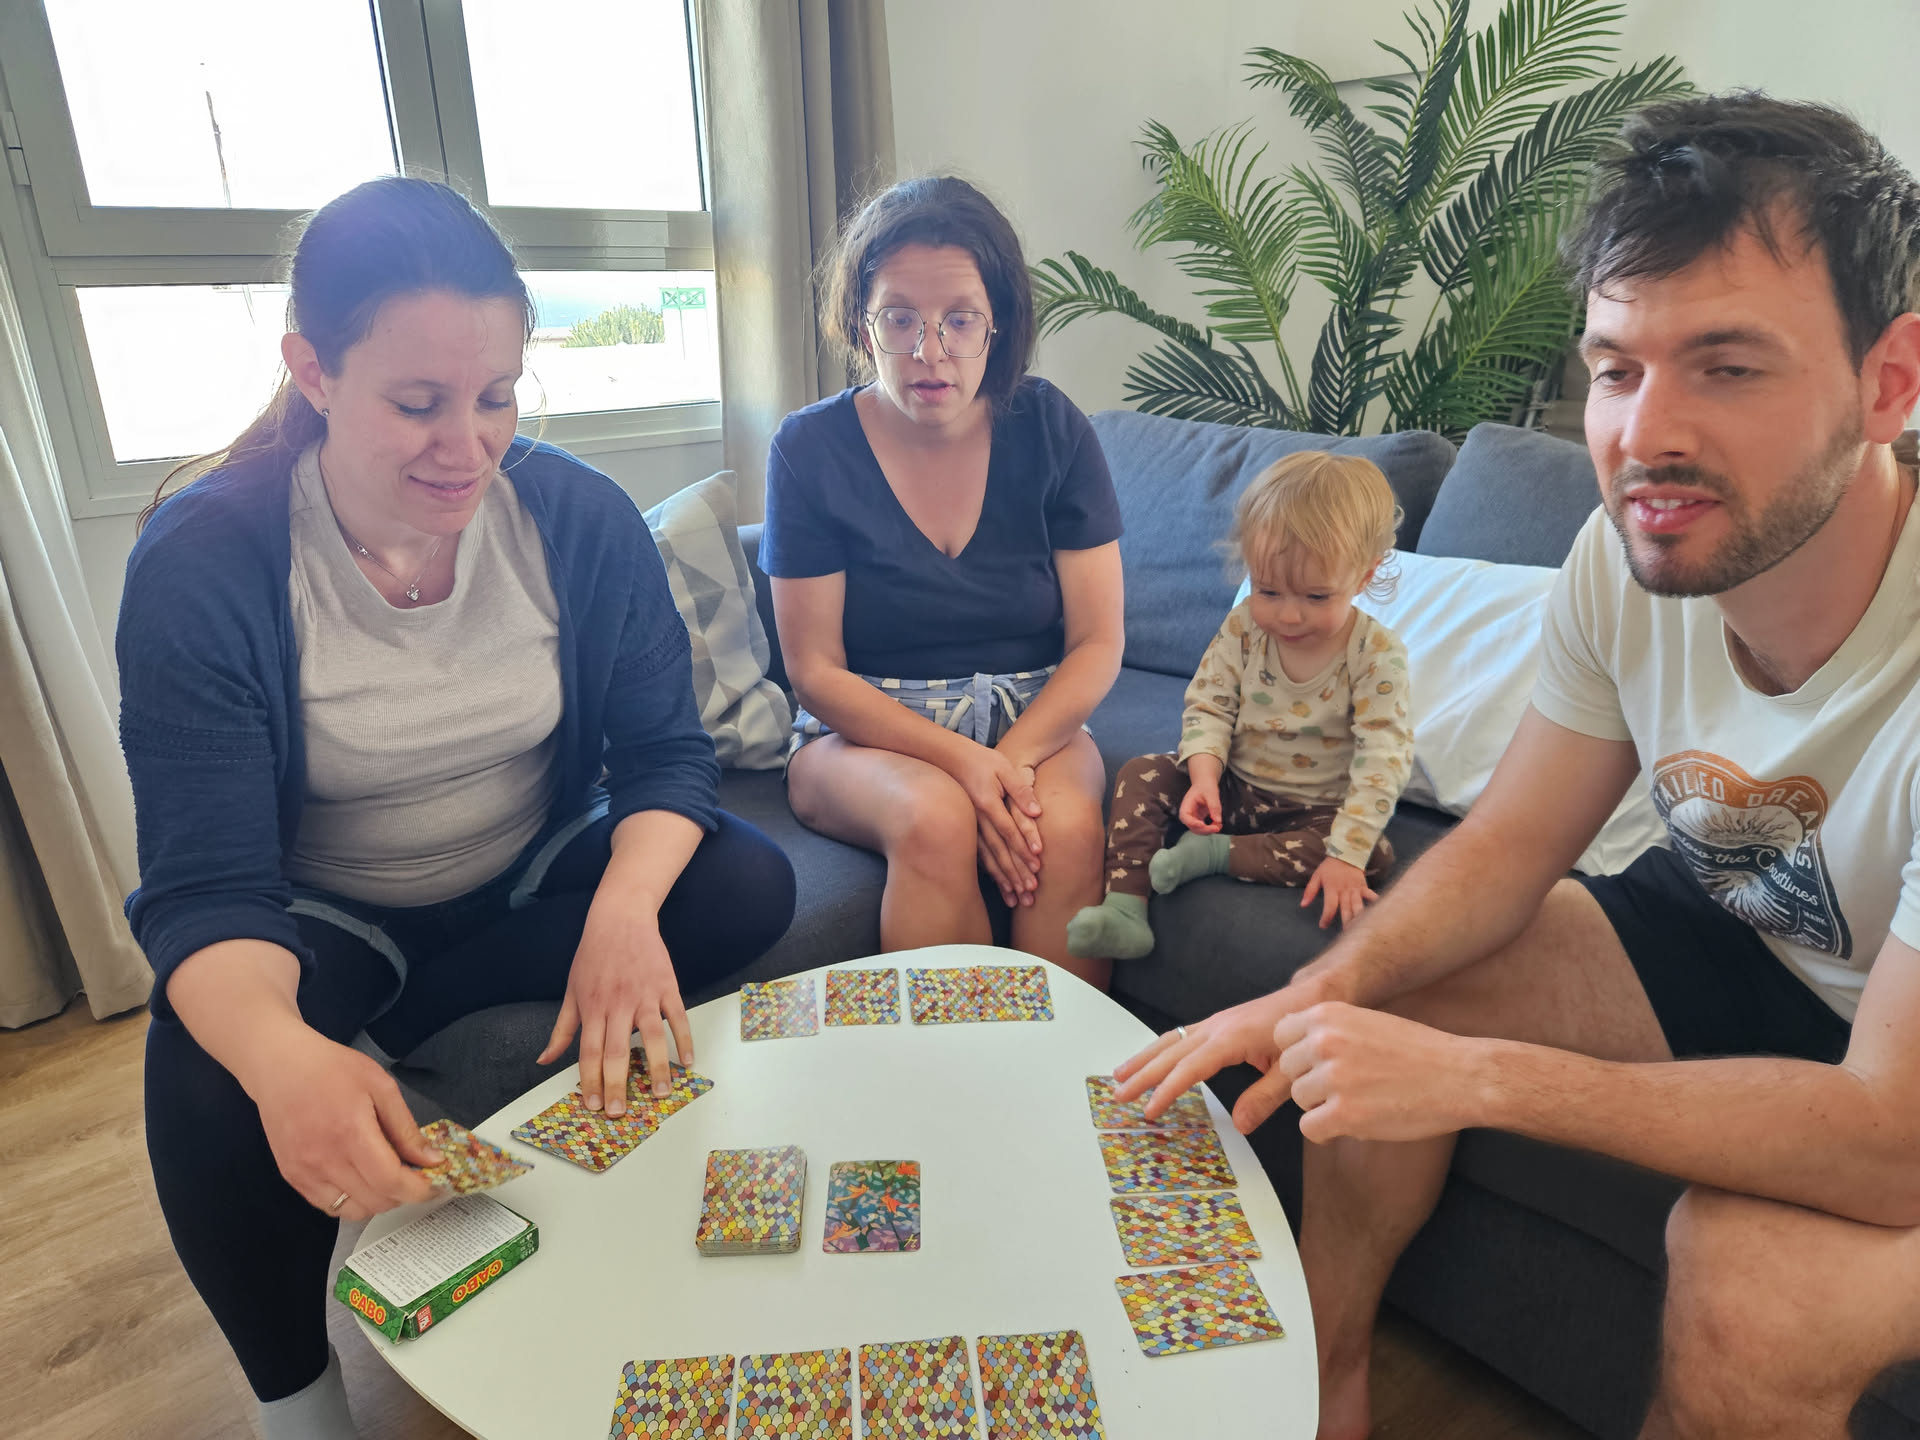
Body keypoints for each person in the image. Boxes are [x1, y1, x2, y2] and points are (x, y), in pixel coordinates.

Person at [1113, 93, 1920, 1440]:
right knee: (1393, 982)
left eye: (1727, 366)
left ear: (1890, 381)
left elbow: (1892, 1138)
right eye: (1616, 369)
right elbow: (1504, 845)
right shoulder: (1626, 557)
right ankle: (1323, 1385)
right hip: (1757, 935)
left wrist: (1476, 1076)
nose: (1645, 438)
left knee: (1752, 1285)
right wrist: (1321, 997)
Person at [119, 177, 796, 1440]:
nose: (469, 446)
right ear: (313, 372)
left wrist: (623, 915)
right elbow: (203, 893)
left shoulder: (577, 516)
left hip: (527, 870)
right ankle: (298, 1403)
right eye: (419, 404)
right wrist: (281, 1057)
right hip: (328, 909)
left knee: (746, 879)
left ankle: (411, 1017)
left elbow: (665, 759)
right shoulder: (206, 562)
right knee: (206, 1072)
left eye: (497, 397)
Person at [760, 176, 1126, 988]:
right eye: (900, 319)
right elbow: (814, 670)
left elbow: (1099, 642)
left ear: (999, 324)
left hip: (1033, 718)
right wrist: (965, 767)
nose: (930, 352)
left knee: (1062, 826)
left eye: (960, 319)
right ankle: (946, 1069)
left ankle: (1068, 1068)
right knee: (935, 818)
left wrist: (1008, 765)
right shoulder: (808, 448)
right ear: (862, 324)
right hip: (866, 734)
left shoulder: (1052, 427)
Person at [1066, 452, 1410, 962]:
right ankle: (1124, 908)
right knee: (1141, 773)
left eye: (1316, 597)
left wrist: (1347, 853)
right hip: (1233, 789)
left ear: (1363, 577)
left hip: (1316, 812)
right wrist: (1203, 777)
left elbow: (1384, 757)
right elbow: (1210, 704)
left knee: (1373, 856)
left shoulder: (1375, 654)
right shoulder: (1245, 626)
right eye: (1268, 590)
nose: (1288, 615)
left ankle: (1213, 855)